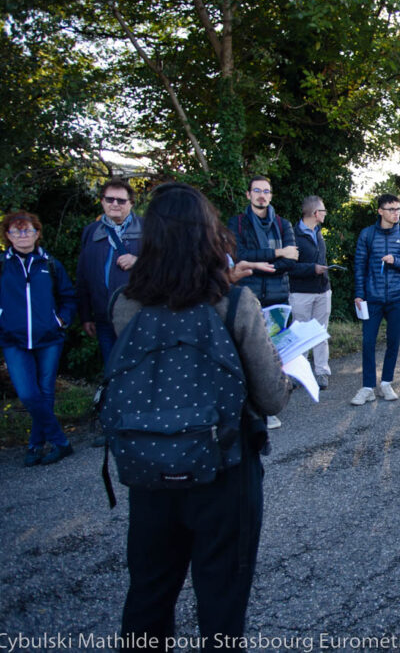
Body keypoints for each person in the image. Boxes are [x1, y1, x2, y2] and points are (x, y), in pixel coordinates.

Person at [111, 182, 290, 647]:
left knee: (148, 595)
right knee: (222, 602)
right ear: (209, 239)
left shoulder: (124, 307)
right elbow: (271, 399)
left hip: (149, 468)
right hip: (224, 471)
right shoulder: (235, 305)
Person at [0, 212, 77, 466]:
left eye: (28, 230)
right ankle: (62, 442)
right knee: (28, 394)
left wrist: (60, 320)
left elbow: (68, 297)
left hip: (49, 338)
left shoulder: (49, 264)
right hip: (13, 340)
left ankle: (35, 445)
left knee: (45, 392)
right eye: (17, 231)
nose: (23, 235)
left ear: (37, 233)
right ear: (8, 235)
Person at [229, 175, 297, 429]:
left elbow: (293, 259)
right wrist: (277, 253)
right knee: (249, 354)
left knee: (276, 353)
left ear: (271, 196)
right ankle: (249, 406)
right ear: (248, 195)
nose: (262, 195)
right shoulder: (237, 223)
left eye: (266, 191)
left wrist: (259, 265)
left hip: (278, 296)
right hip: (249, 298)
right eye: (257, 191)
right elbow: (239, 255)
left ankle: (269, 406)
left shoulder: (283, 224)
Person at [351, 194, 400, 405]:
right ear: (380, 211)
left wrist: (395, 261)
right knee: (368, 341)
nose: (396, 213)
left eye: (398, 209)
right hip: (372, 297)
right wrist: (359, 294)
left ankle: (387, 382)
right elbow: (360, 267)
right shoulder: (367, 235)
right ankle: (367, 387)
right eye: (391, 209)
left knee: (393, 341)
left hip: (397, 297)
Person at [76, 178, 142, 364]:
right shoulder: (91, 232)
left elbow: (166, 265)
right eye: (110, 199)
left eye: (121, 201)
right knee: (111, 368)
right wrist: (86, 315)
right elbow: (83, 275)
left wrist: (139, 261)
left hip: (137, 315)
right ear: (102, 201)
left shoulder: (148, 229)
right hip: (104, 316)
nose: (115, 204)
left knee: (136, 369)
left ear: (131, 203)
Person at [288, 195, 332, 389]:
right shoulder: (292, 235)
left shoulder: (319, 232)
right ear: (315, 213)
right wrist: (311, 269)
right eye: (323, 211)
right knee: (301, 334)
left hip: (323, 291)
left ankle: (322, 372)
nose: (325, 214)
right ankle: (299, 373)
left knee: (321, 333)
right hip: (301, 293)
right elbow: (288, 267)